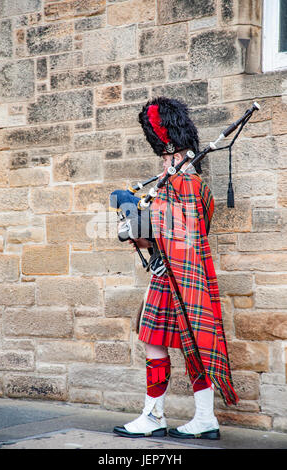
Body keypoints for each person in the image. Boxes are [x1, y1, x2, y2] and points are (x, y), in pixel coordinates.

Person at [113, 97, 239, 440]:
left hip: (176, 275)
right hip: (176, 273)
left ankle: (160, 416)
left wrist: (137, 223)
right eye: (163, 158)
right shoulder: (186, 186)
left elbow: (174, 232)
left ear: (182, 154)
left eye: (169, 157)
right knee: (188, 344)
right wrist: (141, 228)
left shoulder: (184, 185)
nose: (165, 163)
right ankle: (201, 418)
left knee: (165, 344)